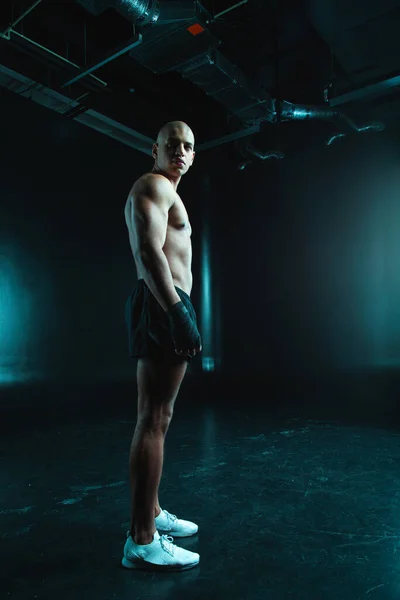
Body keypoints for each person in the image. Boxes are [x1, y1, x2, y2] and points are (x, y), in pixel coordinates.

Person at [122, 121, 202, 572]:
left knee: (156, 417)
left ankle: (150, 513)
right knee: (154, 419)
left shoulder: (167, 189)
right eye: (172, 144)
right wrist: (177, 314)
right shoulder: (153, 184)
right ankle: (142, 540)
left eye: (188, 147)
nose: (180, 152)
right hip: (162, 303)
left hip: (164, 303)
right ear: (155, 149)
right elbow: (151, 254)